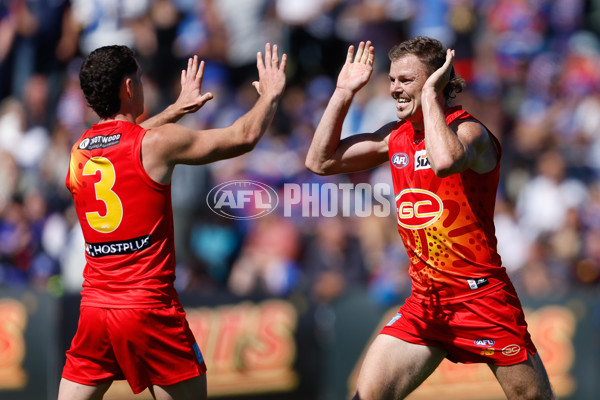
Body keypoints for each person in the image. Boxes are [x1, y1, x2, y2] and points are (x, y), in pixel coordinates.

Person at [305, 36, 555, 400]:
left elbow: (444, 161)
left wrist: (429, 99)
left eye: (406, 80)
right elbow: (319, 162)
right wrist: (343, 91)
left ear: (436, 80)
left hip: (481, 299)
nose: (394, 89)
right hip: (426, 304)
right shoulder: (396, 136)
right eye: (392, 79)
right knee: (368, 395)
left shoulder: (470, 131)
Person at [58, 43, 287, 400]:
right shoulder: (156, 144)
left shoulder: (79, 152)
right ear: (130, 88)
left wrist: (175, 110)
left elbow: (125, 142)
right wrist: (270, 96)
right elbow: (243, 136)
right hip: (149, 309)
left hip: (94, 311)